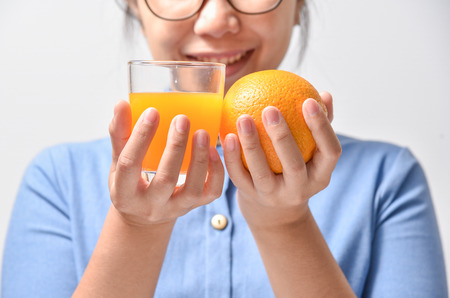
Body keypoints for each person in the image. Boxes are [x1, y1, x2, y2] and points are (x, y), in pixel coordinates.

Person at [2, 0, 448, 297]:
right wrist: (135, 226)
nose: (216, 21)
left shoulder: (387, 179)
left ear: (298, 7)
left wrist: (286, 224)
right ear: (135, 6)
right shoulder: (57, 180)